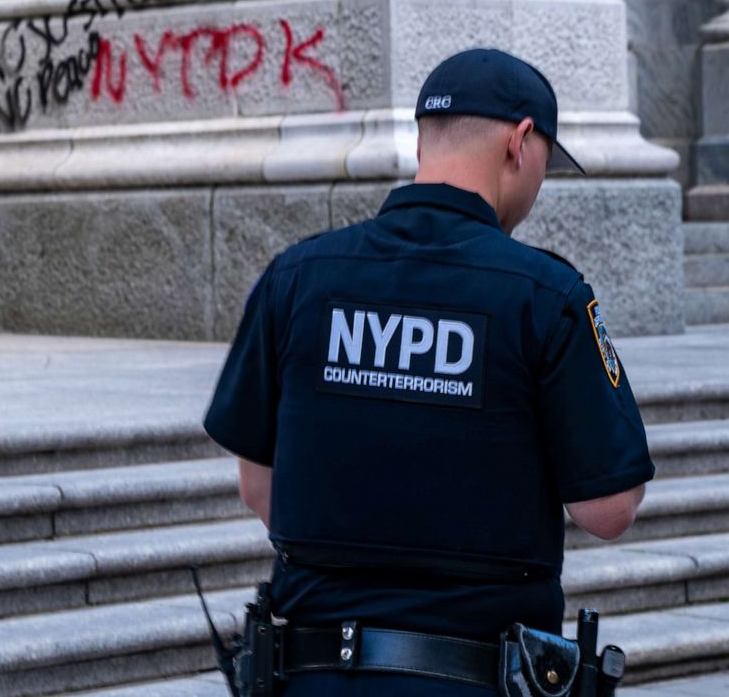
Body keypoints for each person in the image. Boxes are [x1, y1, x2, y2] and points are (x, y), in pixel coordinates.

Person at [203, 48, 655, 696]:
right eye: (545, 165)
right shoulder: (546, 295)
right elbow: (608, 508)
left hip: (310, 675)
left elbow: (257, 489)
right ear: (520, 144)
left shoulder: (297, 277)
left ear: (425, 141)